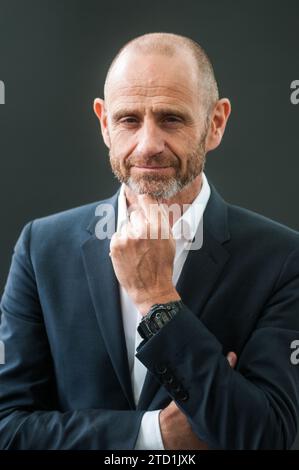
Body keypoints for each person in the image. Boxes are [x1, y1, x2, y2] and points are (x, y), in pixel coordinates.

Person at [0, 32, 299, 450]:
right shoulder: (41, 247)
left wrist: (158, 298)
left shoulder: (284, 260)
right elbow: (8, 428)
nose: (148, 145)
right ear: (104, 123)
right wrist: (152, 435)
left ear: (215, 123)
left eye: (171, 119)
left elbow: (268, 436)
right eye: (128, 120)